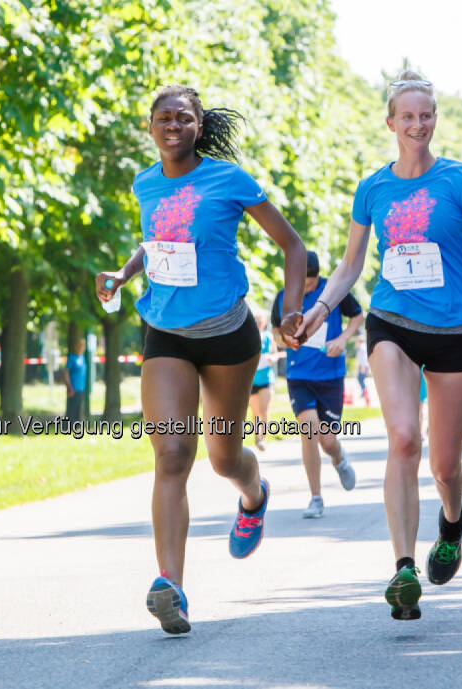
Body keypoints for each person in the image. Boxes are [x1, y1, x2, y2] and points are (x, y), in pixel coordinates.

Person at [296, 71, 462, 620]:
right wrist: (319, 311)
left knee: (446, 468)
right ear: (391, 123)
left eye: (426, 115)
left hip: (454, 333)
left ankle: (452, 522)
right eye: (408, 116)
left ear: (435, 120)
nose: (417, 124)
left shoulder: (461, 179)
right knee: (403, 439)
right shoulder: (373, 188)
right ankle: (403, 568)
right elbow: (350, 265)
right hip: (392, 323)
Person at [95, 84, 307, 635]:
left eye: (184, 118)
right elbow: (156, 240)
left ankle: (253, 495)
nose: (173, 126)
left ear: (198, 125)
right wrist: (125, 273)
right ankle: (171, 586)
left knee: (223, 459)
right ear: (150, 127)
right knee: (171, 455)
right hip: (166, 333)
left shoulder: (228, 179)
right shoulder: (145, 183)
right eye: (164, 118)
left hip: (228, 336)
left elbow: (293, 245)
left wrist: (291, 310)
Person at [271, 250, 363, 518]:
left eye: (311, 283)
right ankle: (316, 497)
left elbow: (357, 315)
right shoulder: (284, 296)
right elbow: (276, 331)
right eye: (304, 283)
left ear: (319, 277)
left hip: (330, 375)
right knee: (309, 430)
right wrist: (284, 340)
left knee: (328, 441)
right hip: (299, 375)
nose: (307, 288)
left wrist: (343, 339)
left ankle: (339, 458)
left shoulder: (332, 291)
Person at [249, 309, 276, 452]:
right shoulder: (249, 337)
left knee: (264, 409)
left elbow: (275, 353)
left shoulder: (269, 337)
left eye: (261, 320)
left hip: (266, 378)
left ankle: (263, 438)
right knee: (255, 412)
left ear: (264, 323)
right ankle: (257, 437)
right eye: (256, 320)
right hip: (252, 379)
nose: (258, 323)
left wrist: (272, 358)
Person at [63, 339, 87, 422]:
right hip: (73, 388)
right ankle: (69, 426)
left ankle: (77, 426)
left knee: (78, 410)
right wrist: (69, 386)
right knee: (71, 410)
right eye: (79, 346)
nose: (81, 348)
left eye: (82, 346)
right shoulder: (72, 358)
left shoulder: (83, 358)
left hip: (81, 388)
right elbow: (66, 373)